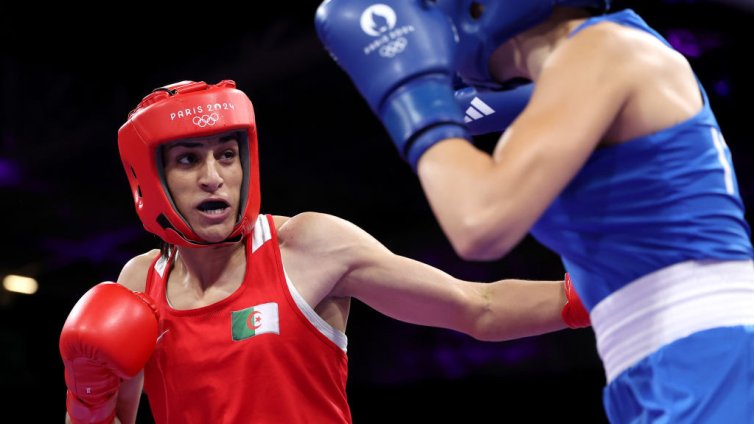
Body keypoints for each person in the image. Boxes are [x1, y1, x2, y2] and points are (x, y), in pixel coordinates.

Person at [315, 0, 754, 422]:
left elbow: (478, 222)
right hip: (653, 363)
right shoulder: (593, 62)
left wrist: (412, 93)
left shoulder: (604, 48)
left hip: (707, 347)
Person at [58, 79, 590, 424]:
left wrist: (599, 294)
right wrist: (87, 399)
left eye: (227, 154)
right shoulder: (138, 284)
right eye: (188, 160)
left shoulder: (306, 246)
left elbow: (478, 307)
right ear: (149, 177)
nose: (214, 177)